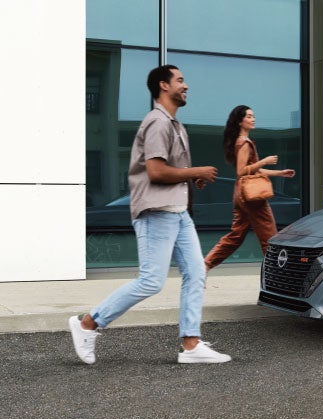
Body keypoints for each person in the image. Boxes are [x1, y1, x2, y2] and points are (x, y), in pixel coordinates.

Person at [68, 65, 232, 365]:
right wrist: (196, 171)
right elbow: (156, 172)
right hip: (156, 213)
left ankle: (192, 344)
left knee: (196, 272)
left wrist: (187, 177)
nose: (186, 86)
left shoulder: (175, 126)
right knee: (151, 281)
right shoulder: (156, 122)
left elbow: (169, 171)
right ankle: (87, 324)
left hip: (179, 213)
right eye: (180, 80)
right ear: (163, 86)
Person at [203, 105, 295, 270]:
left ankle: (204, 266)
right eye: (249, 116)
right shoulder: (244, 143)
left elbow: (254, 169)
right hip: (252, 196)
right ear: (240, 121)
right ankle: (276, 274)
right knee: (269, 237)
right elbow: (242, 171)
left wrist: (279, 173)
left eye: (253, 116)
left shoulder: (241, 141)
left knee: (235, 236)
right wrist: (264, 161)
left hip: (241, 194)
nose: (253, 119)